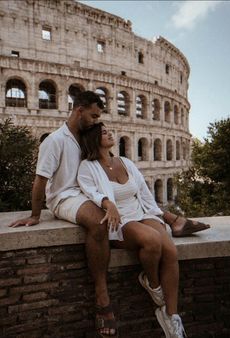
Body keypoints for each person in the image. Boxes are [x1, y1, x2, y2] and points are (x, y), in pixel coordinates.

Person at [9, 91, 209, 338]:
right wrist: (35, 215)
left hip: (90, 195)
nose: (96, 121)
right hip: (65, 196)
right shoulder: (55, 140)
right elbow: (40, 179)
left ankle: (172, 314)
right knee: (98, 222)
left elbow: (124, 180)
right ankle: (103, 299)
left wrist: (155, 213)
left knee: (165, 246)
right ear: (78, 109)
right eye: (93, 115)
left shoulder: (86, 138)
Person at [77, 122, 187, 337]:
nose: (109, 133)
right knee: (152, 240)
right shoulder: (87, 167)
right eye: (104, 132)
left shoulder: (125, 162)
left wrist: (159, 214)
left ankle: (171, 317)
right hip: (120, 221)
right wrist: (108, 203)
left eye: (109, 131)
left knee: (171, 252)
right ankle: (153, 283)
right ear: (93, 140)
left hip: (142, 212)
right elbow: (91, 193)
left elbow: (144, 193)